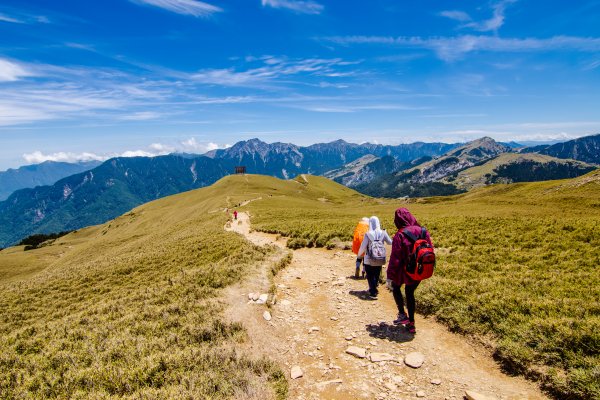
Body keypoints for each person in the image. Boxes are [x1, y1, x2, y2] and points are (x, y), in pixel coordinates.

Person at [387, 208, 434, 334]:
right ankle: (412, 323)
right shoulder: (424, 231)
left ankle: (403, 315)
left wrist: (390, 276)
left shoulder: (400, 235)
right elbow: (430, 249)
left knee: (396, 287)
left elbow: (395, 258)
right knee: (410, 293)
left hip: (405, 270)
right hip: (419, 269)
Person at [357, 216, 392, 299]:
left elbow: (363, 246)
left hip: (369, 259)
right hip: (380, 257)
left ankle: (373, 292)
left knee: (369, 275)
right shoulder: (383, 233)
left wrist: (359, 254)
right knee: (376, 274)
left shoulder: (368, 234)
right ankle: (374, 287)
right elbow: (390, 242)